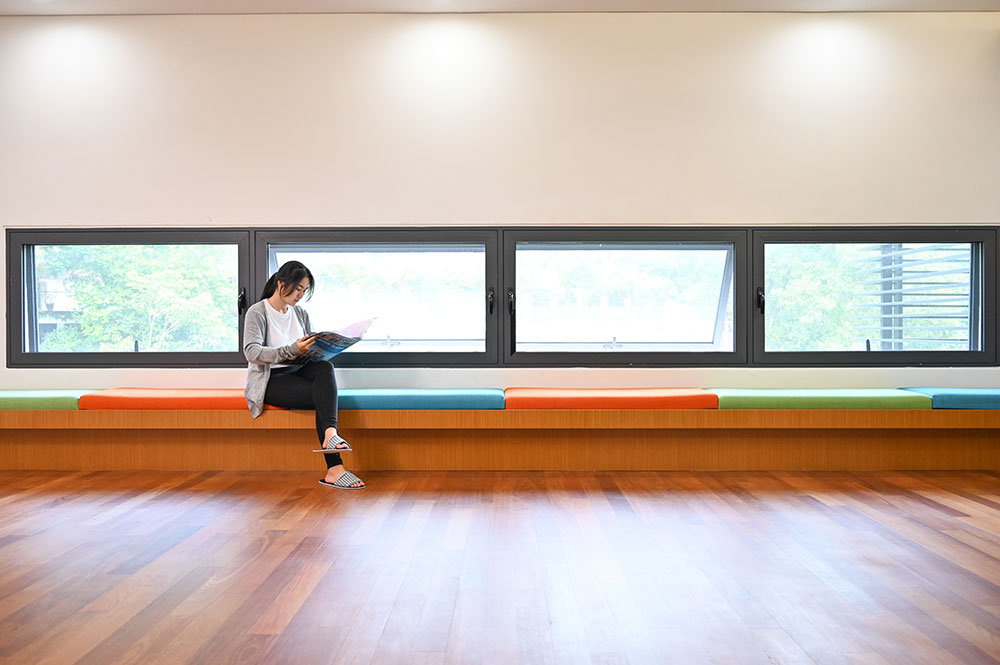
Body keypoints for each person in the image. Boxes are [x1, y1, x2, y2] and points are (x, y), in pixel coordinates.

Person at [243, 260, 365, 490]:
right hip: (271, 381)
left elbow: (306, 347)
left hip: (298, 371)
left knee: (325, 369)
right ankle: (334, 467)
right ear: (281, 283)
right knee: (324, 397)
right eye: (298, 288)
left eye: (304, 290)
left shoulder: (300, 313)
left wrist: (324, 348)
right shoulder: (258, 312)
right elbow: (251, 352)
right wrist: (291, 350)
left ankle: (331, 435)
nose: (300, 295)